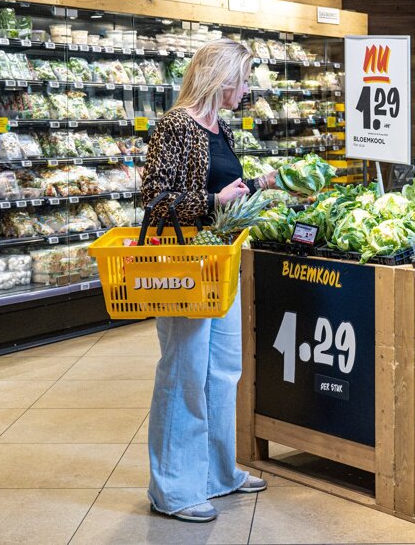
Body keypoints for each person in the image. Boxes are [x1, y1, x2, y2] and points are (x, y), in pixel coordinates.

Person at [141, 38, 273, 523]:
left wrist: (256, 188)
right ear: (220, 77)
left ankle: (218, 473)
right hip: (183, 268)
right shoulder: (176, 125)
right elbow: (154, 199)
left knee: (222, 371)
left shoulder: (221, 128)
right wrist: (213, 202)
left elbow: (222, 190)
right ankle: (173, 490)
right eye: (243, 78)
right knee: (184, 374)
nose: (247, 88)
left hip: (220, 265)